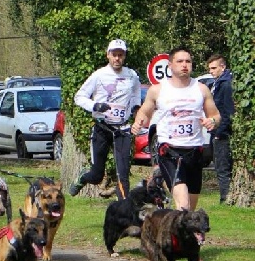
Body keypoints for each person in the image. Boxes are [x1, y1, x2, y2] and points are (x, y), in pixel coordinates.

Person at [132, 47, 220, 211]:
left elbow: (216, 115)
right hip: (169, 152)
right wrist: (138, 122)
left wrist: (211, 121)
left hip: (194, 152)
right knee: (183, 204)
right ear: (170, 65)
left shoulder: (201, 89)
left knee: (190, 210)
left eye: (188, 61)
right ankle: (176, 235)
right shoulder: (158, 90)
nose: (185, 65)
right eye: (180, 61)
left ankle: (174, 232)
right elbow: (144, 112)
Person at [69, 39, 142, 200]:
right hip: (102, 128)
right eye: (114, 55)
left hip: (122, 129)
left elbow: (136, 93)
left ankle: (124, 209)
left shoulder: (131, 75)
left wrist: (136, 108)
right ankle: (83, 177)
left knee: (123, 173)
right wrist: (95, 106)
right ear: (108, 55)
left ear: (124, 56)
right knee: (96, 175)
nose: (117, 59)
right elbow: (79, 97)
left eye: (120, 55)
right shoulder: (99, 75)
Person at [206, 54, 234, 204]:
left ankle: (225, 198)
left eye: (214, 68)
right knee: (219, 167)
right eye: (209, 68)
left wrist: (219, 133)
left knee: (223, 168)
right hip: (216, 131)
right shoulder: (217, 83)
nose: (211, 71)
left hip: (222, 134)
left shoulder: (226, 84)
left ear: (222, 67)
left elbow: (227, 112)